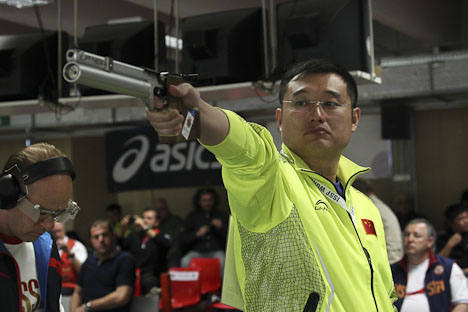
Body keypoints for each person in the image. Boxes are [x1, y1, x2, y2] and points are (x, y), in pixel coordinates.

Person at [146, 59, 397, 311]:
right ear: (279, 118)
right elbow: (243, 146)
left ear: (354, 118)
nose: (317, 115)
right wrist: (195, 112)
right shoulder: (271, 181)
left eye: (330, 103)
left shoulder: (366, 207)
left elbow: (386, 295)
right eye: (300, 103)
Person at [0, 142, 79, 312]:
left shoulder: (45, 247)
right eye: (40, 213)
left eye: (57, 214)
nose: (49, 225)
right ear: (7, 195)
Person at [391, 218, 468, 312]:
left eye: (417, 236)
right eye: (407, 235)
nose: (410, 239)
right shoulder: (392, 270)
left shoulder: (448, 267)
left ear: (430, 242)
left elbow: (462, 304)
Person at [71, 220, 135, 312]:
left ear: (113, 236)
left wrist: (88, 307)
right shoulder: (89, 260)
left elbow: (121, 296)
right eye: (96, 237)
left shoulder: (125, 259)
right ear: (91, 240)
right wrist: (74, 310)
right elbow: (77, 292)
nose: (101, 240)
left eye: (105, 235)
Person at [119, 207, 170, 295]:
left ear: (157, 222)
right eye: (143, 218)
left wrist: (144, 226)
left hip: (153, 277)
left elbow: (165, 243)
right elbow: (119, 245)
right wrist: (123, 228)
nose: (145, 221)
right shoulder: (134, 236)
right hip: (134, 275)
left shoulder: (162, 236)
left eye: (149, 218)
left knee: (149, 282)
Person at [353, 178, 404, 264]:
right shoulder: (379, 206)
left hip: (390, 259)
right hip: (393, 256)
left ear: (358, 191)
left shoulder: (370, 207)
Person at [180, 188, 228, 274]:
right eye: (204, 200)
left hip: (216, 251)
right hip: (197, 252)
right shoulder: (193, 216)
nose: (207, 203)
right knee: (185, 261)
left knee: (223, 261)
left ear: (214, 201)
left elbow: (230, 238)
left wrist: (221, 227)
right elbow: (183, 239)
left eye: (210, 200)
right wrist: (197, 234)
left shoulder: (221, 215)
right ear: (199, 202)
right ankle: (190, 287)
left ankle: (223, 287)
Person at [51, 222, 88, 295]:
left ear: (64, 230)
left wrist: (69, 252)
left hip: (73, 288)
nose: (57, 235)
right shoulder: (48, 247)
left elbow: (84, 272)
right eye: (54, 232)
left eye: (59, 231)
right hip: (54, 288)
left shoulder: (77, 246)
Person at [151, 196, 184, 268]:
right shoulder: (154, 223)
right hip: (157, 256)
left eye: (162, 209)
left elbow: (176, 242)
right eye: (158, 210)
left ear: (166, 208)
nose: (161, 212)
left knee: (173, 271)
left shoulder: (176, 221)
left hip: (172, 254)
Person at [437, 204, 468, 275]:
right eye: (461, 218)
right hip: (450, 274)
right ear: (450, 222)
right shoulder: (442, 238)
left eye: (467, 217)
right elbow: (437, 262)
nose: (466, 221)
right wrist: (449, 245)